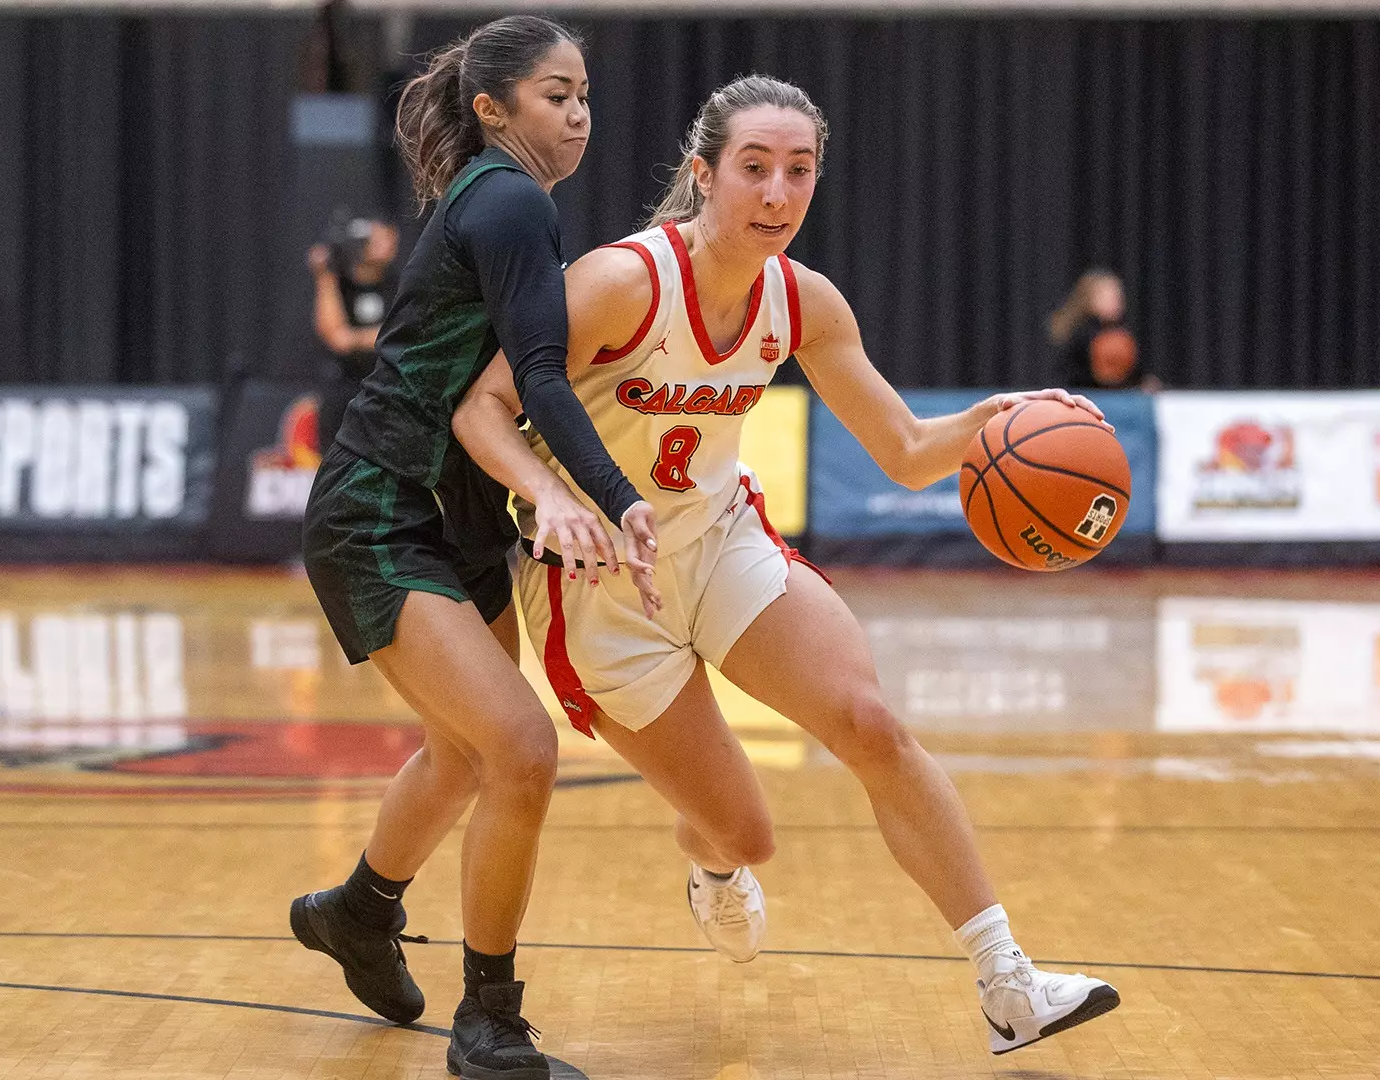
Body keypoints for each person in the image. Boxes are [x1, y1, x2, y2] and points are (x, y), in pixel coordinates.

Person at [451, 75, 1122, 1055]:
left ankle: (1008, 983)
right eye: (755, 168)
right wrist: (546, 497)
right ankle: (715, 865)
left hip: (721, 538)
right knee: (744, 835)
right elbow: (482, 407)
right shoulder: (621, 283)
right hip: (602, 586)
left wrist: (996, 420)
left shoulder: (802, 300)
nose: (777, 193)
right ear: (703, 174)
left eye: (799, 171)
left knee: (871, 725)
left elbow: (904, 450)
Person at [288, 18, 660, 1080]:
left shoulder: (503, 201)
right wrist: (610, 496)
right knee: (520, 750)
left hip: (453, 511)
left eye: (584, 94)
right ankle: (487, 1021)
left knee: (464, 751)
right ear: (493, 109)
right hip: (380, 504)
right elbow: (538, 376)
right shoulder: (508, 199)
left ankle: (360, 910)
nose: (578, 114)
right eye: (555, 95)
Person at [307, 217, 399, 451]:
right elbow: (335, 337)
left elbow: (401, 332)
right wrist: (325, 275)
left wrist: (356, 338)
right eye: (369, 240)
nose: (379, 245)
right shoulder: (340, 284)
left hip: (387, 389)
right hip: (345, 387)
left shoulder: (400, 284)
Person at [1050, 269, 1159, 391]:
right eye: (1107, 297)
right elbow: (1069, 377)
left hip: (1120, 398)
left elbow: (1131, 372)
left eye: (1117, 297)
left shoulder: (1124, 332)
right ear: (1089, 300)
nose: (1115, 302)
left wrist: (1141, 382)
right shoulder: (1078, 335)